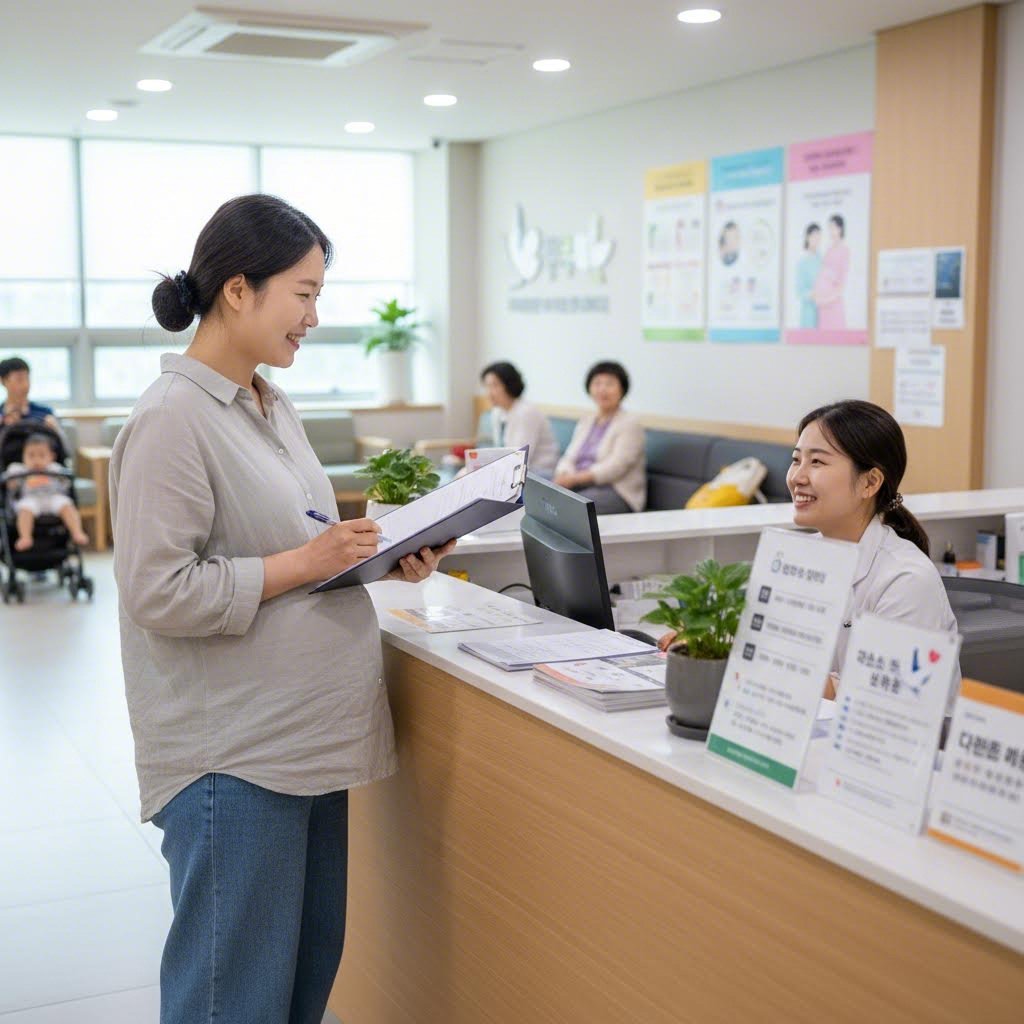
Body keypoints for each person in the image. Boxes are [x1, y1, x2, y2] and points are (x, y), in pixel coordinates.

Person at [109, 194, 455, 1024]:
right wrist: (308, 560)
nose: (314, 317)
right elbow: (158, 590)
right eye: (303, 294)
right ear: (238, 290)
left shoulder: (270, 404)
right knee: (233, 1003)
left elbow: (300, 549)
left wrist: (378, 559)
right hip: (234, 759)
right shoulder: (171, 419)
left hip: (306, 744)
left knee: (298, 989)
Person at [659, 400, 960, 706]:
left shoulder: (906, 580)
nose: (796, 477)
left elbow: (880, 700)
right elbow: (769, 645)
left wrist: (752, 663)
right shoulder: (798, 558)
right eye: (796, 460)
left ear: (870, 482)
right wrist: (708, 645)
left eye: (817, 462)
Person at [554, 361, 646, 514]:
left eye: (609, 384)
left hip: (616, 491)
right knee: (537, 486)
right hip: (580, 484)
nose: (602, 389)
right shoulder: (586, 420)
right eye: (597, 383)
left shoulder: (630, 423)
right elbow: (569, 456)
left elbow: (616, 467)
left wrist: (574, 479)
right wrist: (564, 473)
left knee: (569, 507)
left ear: (622, 389)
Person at [6, 431, 89, 550]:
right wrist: (12, 481)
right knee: (24, 509)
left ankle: (77, 532)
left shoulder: (54, 468)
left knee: (67, 505)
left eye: (42, 455)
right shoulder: (20, 470)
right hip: (31, 499)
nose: (36, 460)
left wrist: (61, 478)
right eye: (31, 455)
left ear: (51, 457)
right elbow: (11, 486)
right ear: (23, 456)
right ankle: (25, 537)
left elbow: (66, 484)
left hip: (53, 497)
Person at [479, 361, 559, 477]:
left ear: (509, 385)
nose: (489, 393)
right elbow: (501, 452)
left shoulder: (527, 413)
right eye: (487, 386)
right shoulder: (497, 412)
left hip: (538, 474)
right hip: (513, 471)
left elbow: (519, 459)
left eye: (494, 386)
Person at [0, 356, 63, 433]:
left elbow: (60, 439)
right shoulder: (1, 417)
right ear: (3, 381)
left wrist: (53, 430)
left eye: (27, 378)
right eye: (19, 380)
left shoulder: (45, 413)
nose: (25, 385)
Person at [814, 214, 850, 329]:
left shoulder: (844, 251)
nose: (830, 231)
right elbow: (822, 275)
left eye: (833, 227)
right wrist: (818, 297)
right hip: (822, 306)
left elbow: (842, 284)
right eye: (829, 227)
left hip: (833, 304)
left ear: (840, 229)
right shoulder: (828, 250)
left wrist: (826, 300)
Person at [796, 223, 822, 328]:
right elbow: (799, 291)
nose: (816, 239)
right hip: (808, 312)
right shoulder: (802, 262)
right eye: (814, 236)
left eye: (818, 236)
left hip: (823, 311)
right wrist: (812, 294)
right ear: (807, 237)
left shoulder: (822, 259)